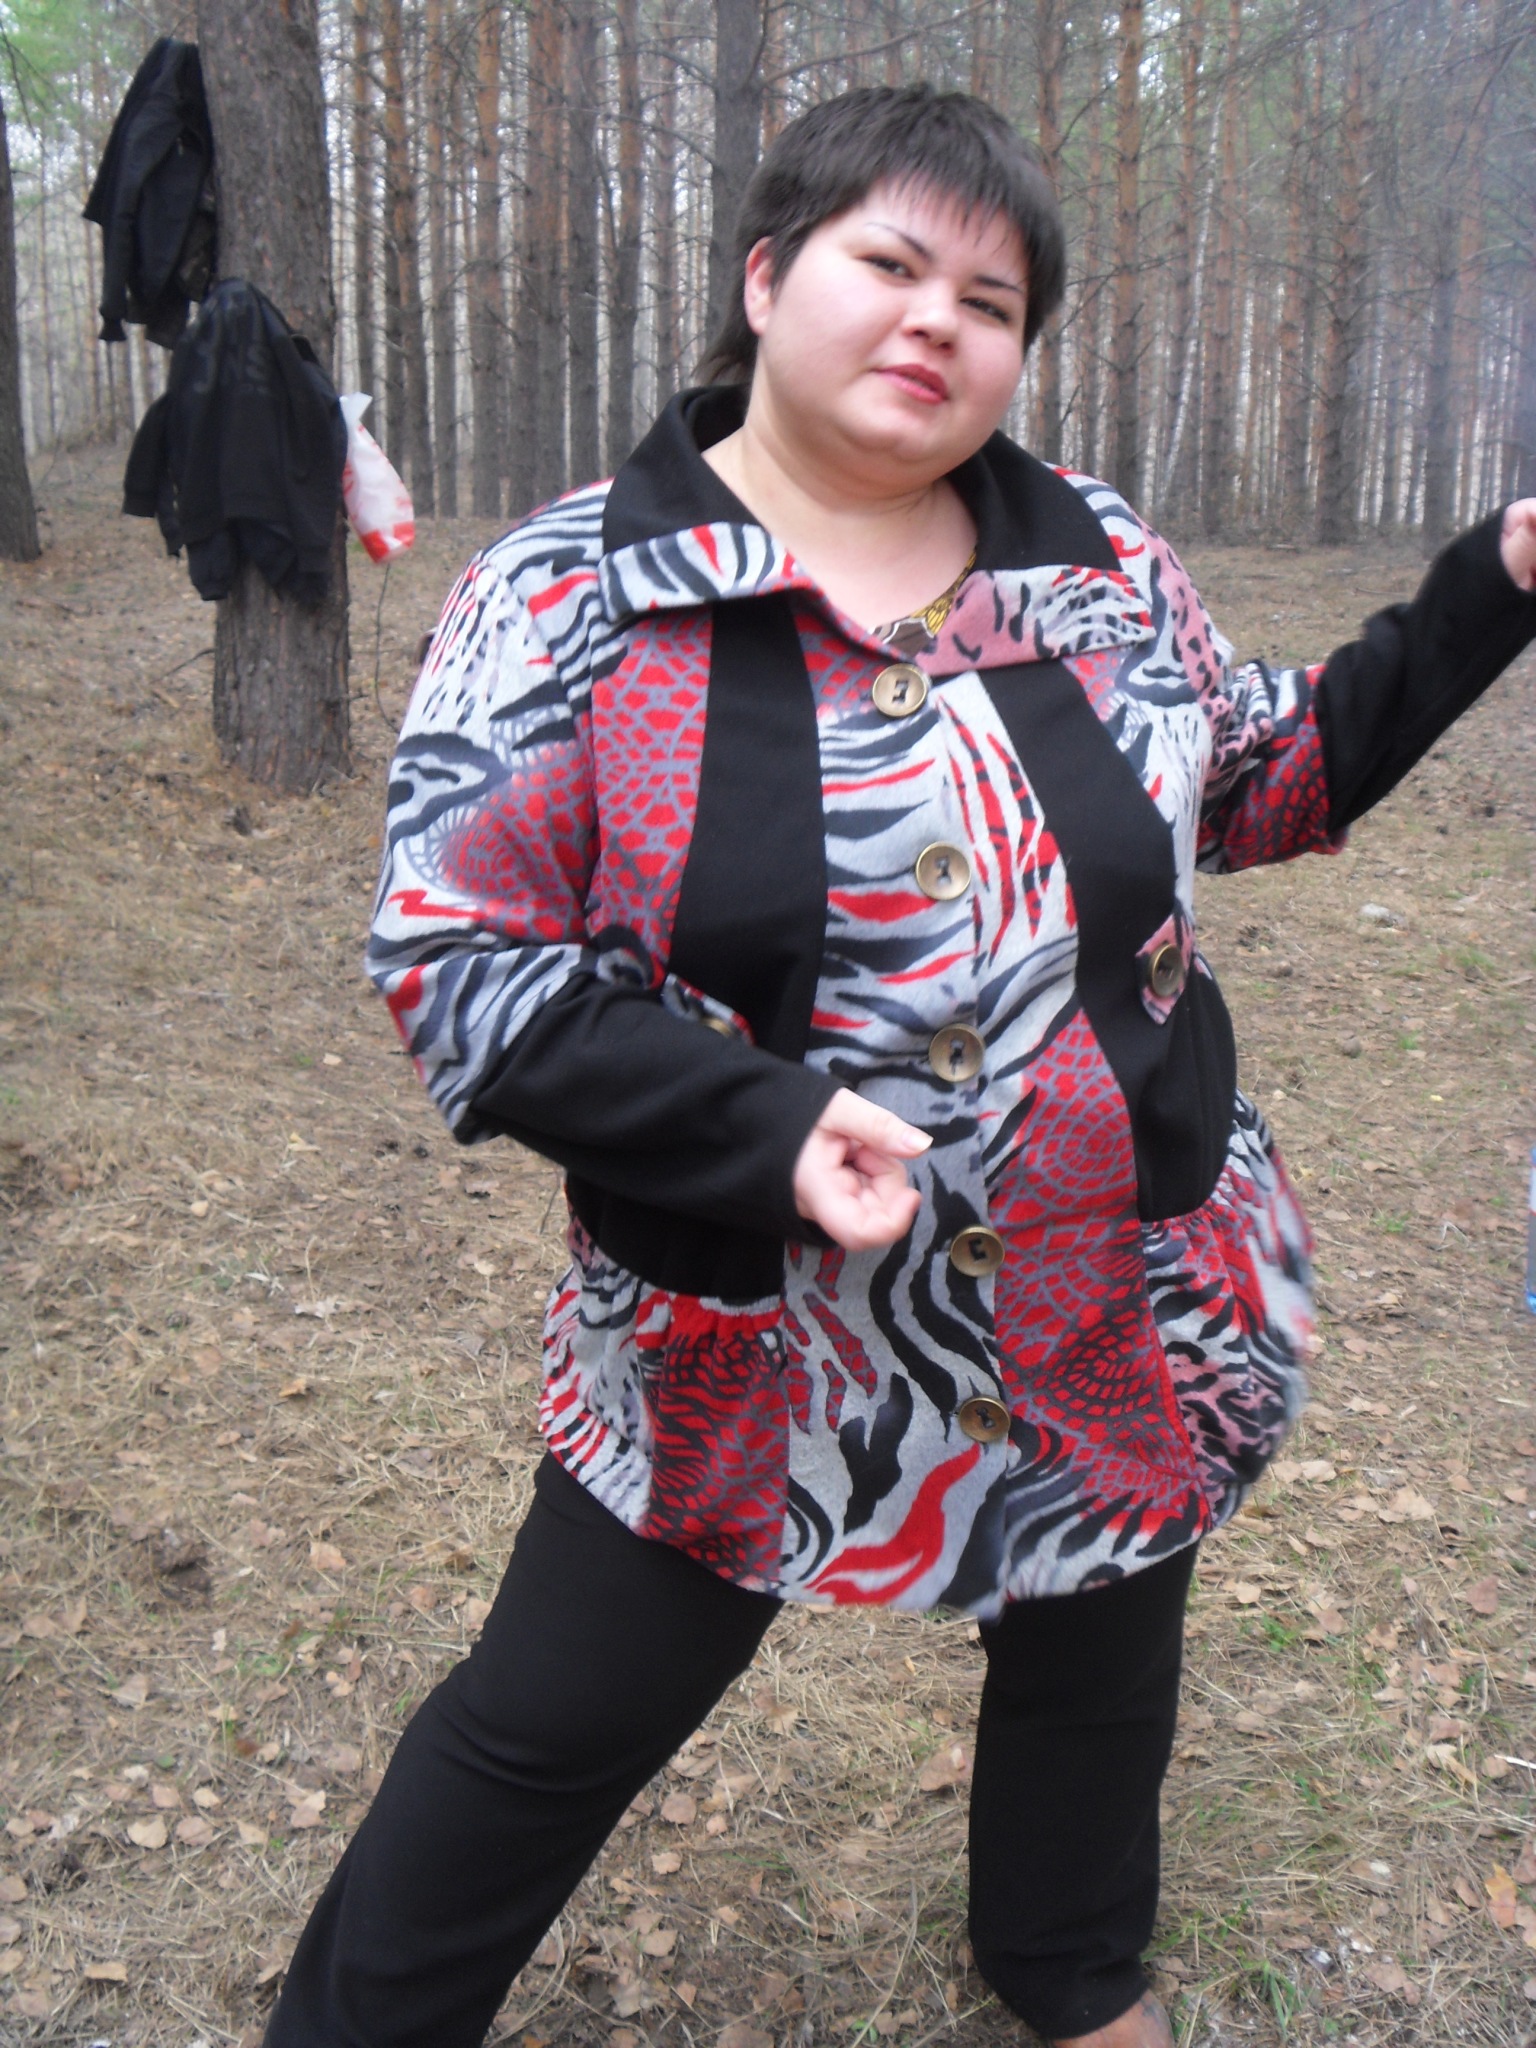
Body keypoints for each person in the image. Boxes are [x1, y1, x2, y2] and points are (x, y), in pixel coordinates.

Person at [264, 84, 1536, 2048]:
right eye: (892, 262)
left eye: (994, 300)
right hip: (742, 1331)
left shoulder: (1096, 561)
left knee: (1100, 1643)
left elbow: (1257, 774)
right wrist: (761, 1125)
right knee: (549, 1720)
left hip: (1109, 1278)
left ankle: (1067, 1965)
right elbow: (459, 964)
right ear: (768, 277)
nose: (940, 319)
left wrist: (1495, 582)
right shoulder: (570, 594)